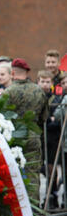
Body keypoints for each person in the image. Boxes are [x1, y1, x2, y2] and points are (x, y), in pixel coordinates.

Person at [2, 58, 48, 202]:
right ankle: (34, 210)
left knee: (12, 173)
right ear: (27, 72)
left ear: (13, 72)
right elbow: (44, 117)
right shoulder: (38, 91)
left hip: (13, 138)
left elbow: (1, 117)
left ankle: (15, 210)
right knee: (33, 173)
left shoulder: (8, 92)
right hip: (33, 136)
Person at [38, 71, 62, 208]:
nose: (45, 84)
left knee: (52, 166)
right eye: (43, 81)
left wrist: (49, 121)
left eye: (48, 82)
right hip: (40, 136)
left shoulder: (56, 98)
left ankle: (51, 195)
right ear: (38, 82)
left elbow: (56, 120)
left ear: (52, 83)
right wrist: (48, 120)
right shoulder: (36, 97)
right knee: (40, 166)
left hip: (52, 137)